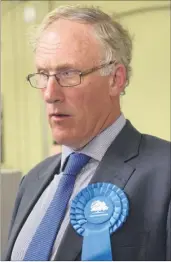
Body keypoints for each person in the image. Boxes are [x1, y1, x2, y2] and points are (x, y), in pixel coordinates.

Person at [3, 5, 170, 261]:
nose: (50, 94)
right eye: (43, 74)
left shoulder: (164, 174)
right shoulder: (32, 181)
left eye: (68, 74)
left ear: (116, 79)